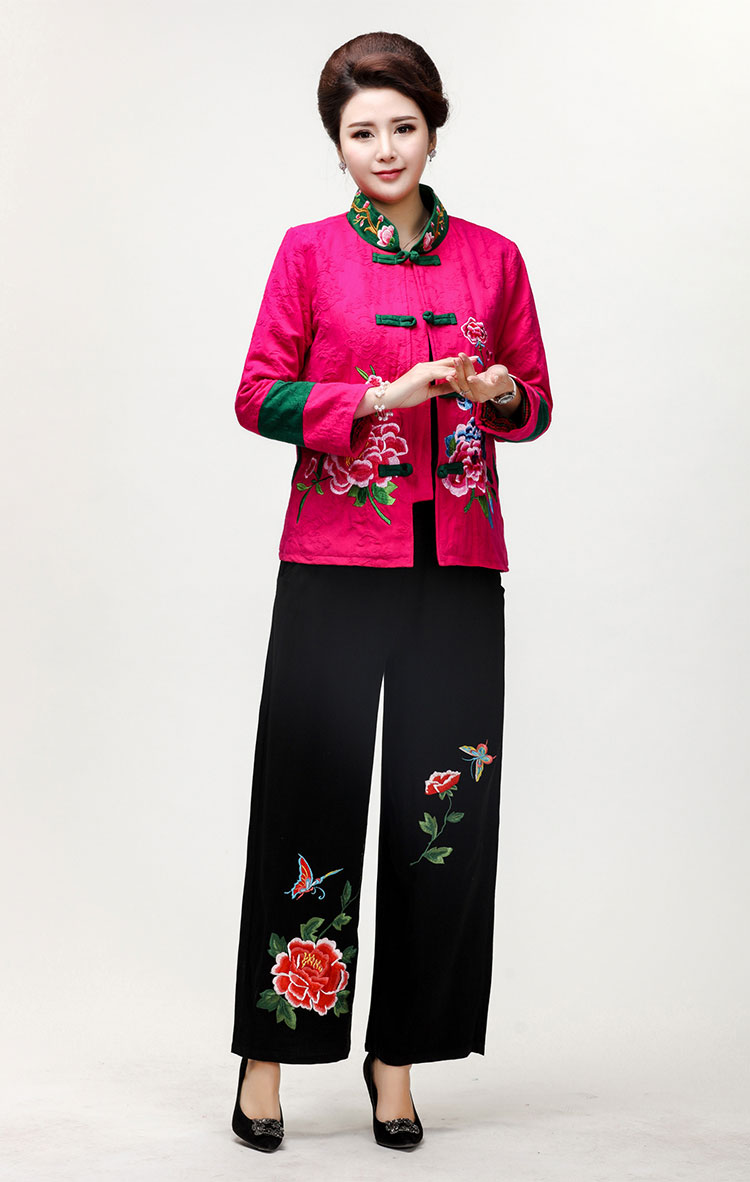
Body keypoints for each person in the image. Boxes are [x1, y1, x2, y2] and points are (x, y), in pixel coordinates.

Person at [229, 30, 552, 1153]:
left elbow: (535, 403)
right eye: (361, 131)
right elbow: (257, 396)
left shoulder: (494, 259)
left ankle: (399, 1058)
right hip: (332, 562)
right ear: (337, 144)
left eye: (402, 127)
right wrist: (377, 397)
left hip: (457, 569)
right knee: (305, 805)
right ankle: (270, 1053)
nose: (384, 148)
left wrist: (497, 392)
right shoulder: (309, 254)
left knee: (440, 819)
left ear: (432, 131)